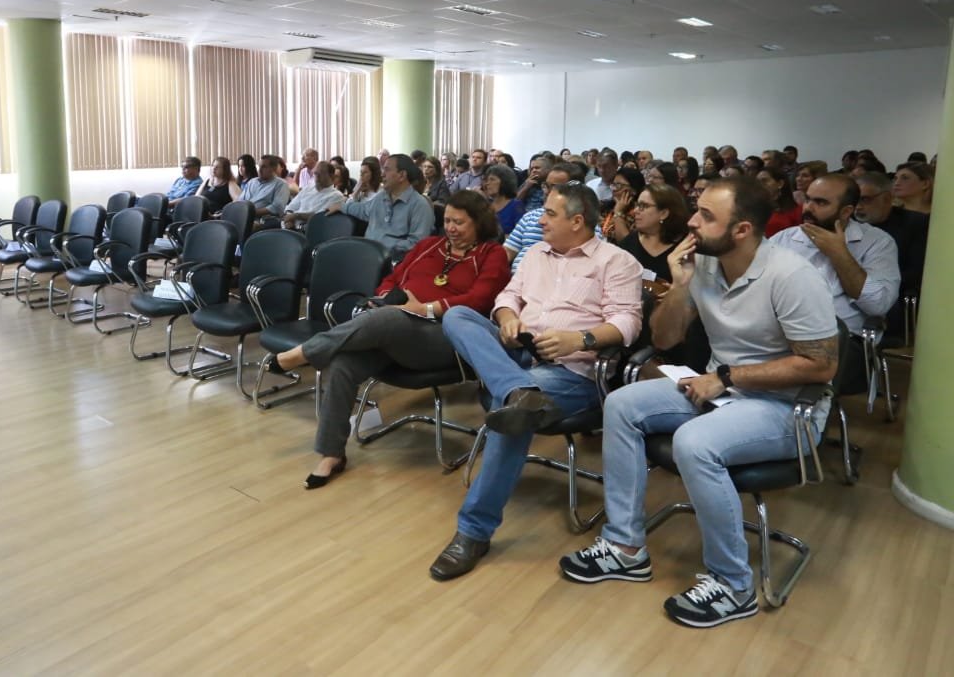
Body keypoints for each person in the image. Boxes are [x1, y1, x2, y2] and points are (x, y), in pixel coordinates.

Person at [559, 176, 839, 629]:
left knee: (694, 442)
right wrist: (681, 284)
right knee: (622, 405)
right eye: (696, 209)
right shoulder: (704, 263)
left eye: (706, 216)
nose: (691, 221)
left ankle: (734, 585)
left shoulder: (791, 275)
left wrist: (726, 377)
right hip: (721, 388)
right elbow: (665, 338)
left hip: (787, 407)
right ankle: (625, 547)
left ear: (742, 230)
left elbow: (820, 365)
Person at [428, 183, 643, 581]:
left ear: (577, 221)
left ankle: (473, 532)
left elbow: (628, 323)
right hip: (518, 354)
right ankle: (519, 389)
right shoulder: (534, 255)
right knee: (457, 317)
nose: (539, 220)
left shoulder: (616, 261)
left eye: (549, 214)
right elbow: (507, 297)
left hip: (571, 372)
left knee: (512, 413)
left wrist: (580, 339)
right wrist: (508, 318)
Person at [276, 191, 511, 487]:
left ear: (479, 223)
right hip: (398, 332)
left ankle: (304, 353)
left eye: (459, 222)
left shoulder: (492, 254)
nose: (450, 228)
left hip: (447, 338)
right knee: (343, 362)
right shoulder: (428, 246)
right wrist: (390, 296)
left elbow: (480, 300)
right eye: (448, 220)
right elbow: (391, 279)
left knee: (389, 318)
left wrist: (423, 309)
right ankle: (331, 453)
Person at [769, 173, 899, 392]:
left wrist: (839, 253)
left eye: (821, 203)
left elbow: (878, 305)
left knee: (791, 378)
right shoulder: (784, 239)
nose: (808, 208)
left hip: (843, 341)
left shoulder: (877, 243)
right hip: (782, 333)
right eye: (808, 199)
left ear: (846, 211)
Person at [855, 172, 928, 335]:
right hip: (851, 290)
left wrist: (874, 285)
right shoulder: (847, 224)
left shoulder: (916, 224)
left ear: (887, 198)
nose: (858, 207)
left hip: (895, 291)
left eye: (865, 199)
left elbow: (917, 270)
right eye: (854, 200)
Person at [330, 155, 434, 260]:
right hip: (367, 256)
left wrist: (382, 250)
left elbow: (417, 243)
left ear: (402, 175)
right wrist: (342, 206)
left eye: (387, 170)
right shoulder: (382, 197)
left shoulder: (420, 205)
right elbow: (363, 210)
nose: (382, 174)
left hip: (393, 262)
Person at [617, 182, 688, 286]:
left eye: (643, 206)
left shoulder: (685, 247)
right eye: (637, 205)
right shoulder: (628, 243)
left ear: (663, 213)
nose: (635, 211)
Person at [281, 161, 345, 229]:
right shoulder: (307, 189)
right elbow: (290, 208)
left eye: (321, 173)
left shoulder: (337, 196)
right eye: (315, 173)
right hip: (291, 226)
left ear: (331, 176)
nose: (317, 177)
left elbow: (318, 217)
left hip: (311, 230)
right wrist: (288, 221)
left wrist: (295, 216)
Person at [239, 154, 290, 227]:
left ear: (274, 168)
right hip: (244, 217)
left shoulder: (281, 184)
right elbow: (240, 201)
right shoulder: (252, 182)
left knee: (242, 226)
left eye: (264, 167)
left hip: (263, 221)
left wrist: (250, 213)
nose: (259, 170)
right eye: (259, 166)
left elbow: (277, 208)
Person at [602, 167, 646, 242]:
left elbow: (626, 242)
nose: (614, 189)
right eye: (613, 185)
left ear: (634, 190)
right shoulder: (604, 207)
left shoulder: (640, 213)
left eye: (619, 185)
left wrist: (618, 212)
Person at [756, 166, 801, 237]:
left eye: (764, 181)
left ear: (780, 183)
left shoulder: (796, 211)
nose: (759, 185)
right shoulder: (753, 208)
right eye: (757, 182)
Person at [482, 163, 524, 237]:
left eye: (492, 179)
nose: (487, 183)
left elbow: (519, 235)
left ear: (505, 181)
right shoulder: (486, 206)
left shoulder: (516, 206)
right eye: (487, 180)